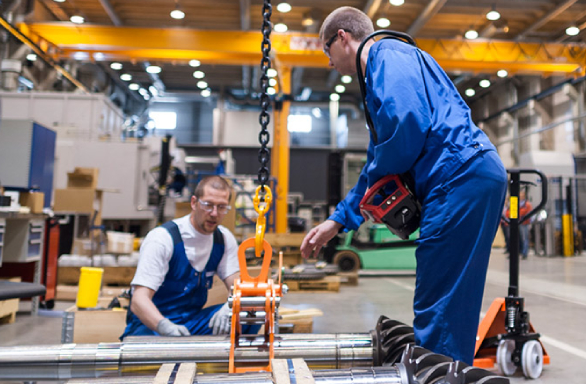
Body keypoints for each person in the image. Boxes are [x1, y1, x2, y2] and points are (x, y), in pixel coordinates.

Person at [300, 6, 507, 364]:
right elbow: (378, 162)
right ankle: (450, 368)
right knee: (453, 296)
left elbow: (407, 126)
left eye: (326, 51)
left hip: (457, 176)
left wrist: (371, 189)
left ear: (343, 38)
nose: (329, 62)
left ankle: (439, 373)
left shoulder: (387, 57)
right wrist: (338, 220)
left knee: (439, 297)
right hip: (470, 174)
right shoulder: (387, 68)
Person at [122, 176, 251, 339]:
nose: (214, 213)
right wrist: (164, 326)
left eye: (222, 207)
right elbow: (138, 300)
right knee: (147, 351)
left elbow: (238, 287)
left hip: (192, 324)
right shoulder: (163, 239)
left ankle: (232, 362)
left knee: (250, 313)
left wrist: (232, 306)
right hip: (152, 327)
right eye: (208, 205)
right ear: (193, 203)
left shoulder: (224, 239)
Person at [519, 189, 533, 259]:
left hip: (525, 223)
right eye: (520, 195)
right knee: (521, 238)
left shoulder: (527, 204)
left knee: (525, 238)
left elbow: (529, 213)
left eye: (522, 195)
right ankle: (522, 251)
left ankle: (525, 252)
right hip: (519, 223)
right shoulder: (517, 203)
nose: (521, 196)